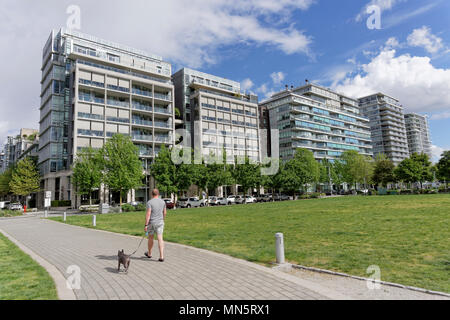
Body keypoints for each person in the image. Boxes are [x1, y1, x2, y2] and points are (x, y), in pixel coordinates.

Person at [144, 189, 166, 262]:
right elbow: (164, 213)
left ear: (151, 194)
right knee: (160, 238)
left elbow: (148, 214)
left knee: (151, 238)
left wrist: (146, 225)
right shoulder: (163, 202)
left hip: (152, 222)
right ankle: (161, 256)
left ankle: (149, 253)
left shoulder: (149, 202)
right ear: (158, 194)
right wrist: (163, 219)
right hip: (160, 222)